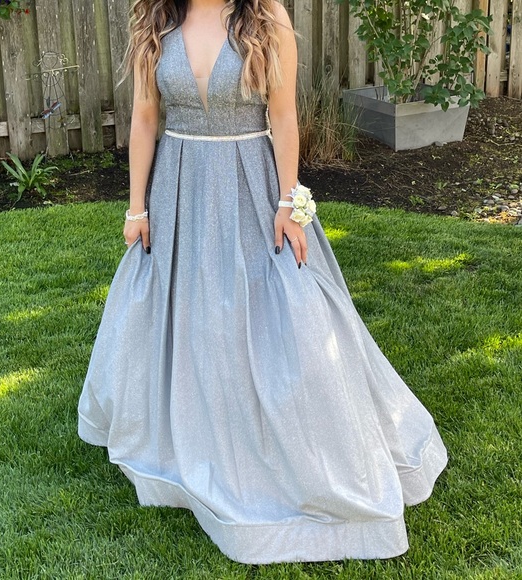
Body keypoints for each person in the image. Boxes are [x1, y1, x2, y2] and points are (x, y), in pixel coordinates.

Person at [78, 0, 448, 564]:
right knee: (190, 310)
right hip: (178, 189)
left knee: (275, 311)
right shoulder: (156, 22)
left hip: (252, 184)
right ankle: (192, 431)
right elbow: (146, 117)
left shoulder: (266, 18)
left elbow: (284, 115)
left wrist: (287, 202)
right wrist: (136, 208)